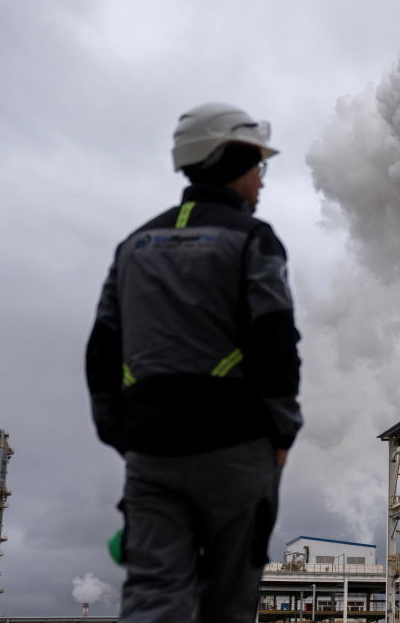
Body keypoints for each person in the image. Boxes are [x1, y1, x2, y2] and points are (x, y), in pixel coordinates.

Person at [85, 103, 302, 623]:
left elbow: (101, 349)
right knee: (228, 601)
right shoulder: (253, 240)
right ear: (230, 162)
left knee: (154, 596)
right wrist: (281, 434)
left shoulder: (132, 246)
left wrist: (121, 431)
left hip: (151, 452)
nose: (261, 183)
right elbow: (275, 341)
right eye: (258, 167)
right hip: (236, 446)